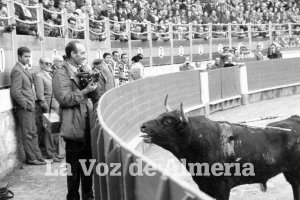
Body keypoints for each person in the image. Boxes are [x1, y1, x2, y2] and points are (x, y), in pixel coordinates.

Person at [52, 41, 97, 200]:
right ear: (72, 54)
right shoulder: (61, 73)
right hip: (72, 127)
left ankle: (88, 196)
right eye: (82, 53)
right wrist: (85, 90)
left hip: (87, 125)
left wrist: (93, 87)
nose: (85, 57)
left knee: (87, 166)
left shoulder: (83, 70)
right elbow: (64, 99)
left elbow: (92, 96)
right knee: (73, 170)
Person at [10, 46, 46, 165]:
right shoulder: (17, 70)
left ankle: (38, 155)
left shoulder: (24, 69)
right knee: (28, 133)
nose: (28, 59)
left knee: (33, 132)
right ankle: (31, 158)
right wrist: (25, 105)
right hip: (24, 108)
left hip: (30, 107)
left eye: (29, 56)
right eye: (25, 56)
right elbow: (15, 92)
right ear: (19, 56)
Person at [34, 57, 63, 162]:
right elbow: (40, 95)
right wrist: (46, 107)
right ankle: (50, 153)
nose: (49, 65)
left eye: (50, 63)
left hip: (56, 105)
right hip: (49, 106)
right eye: (46, 63)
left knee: (55, 131)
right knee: (49, 131)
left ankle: (55, 152)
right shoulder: (39, 76)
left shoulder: (51, 74)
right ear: (40, 64)